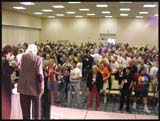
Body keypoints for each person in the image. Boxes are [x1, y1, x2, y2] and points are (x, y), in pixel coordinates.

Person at [17, 44, 44, 119]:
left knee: (25, 113)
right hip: (34, 88)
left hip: (23, 88)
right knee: (36, 112)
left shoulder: (21, 57)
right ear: (35, 51)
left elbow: (18, 68)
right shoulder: (38, 59)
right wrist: (41, 87)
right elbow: (40, 75)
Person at [2, 45, 15, 119]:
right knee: (6, 109)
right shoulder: (4, 60)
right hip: (5, 88)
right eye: (10, 54)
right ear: (8, 52)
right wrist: (13, 67)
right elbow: (6, 72)